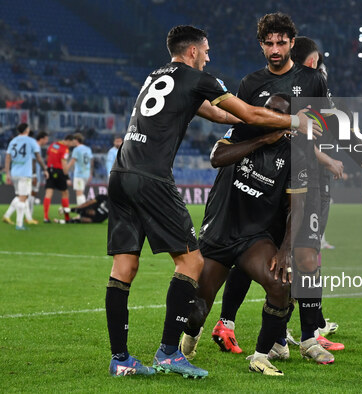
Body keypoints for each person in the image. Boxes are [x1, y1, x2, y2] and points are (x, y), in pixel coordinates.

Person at [105, 24, 319, 378]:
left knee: (124, 268)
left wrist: (269, 127)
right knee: (191, 263)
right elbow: (248, 114)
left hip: (120, 174)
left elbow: (224, 116)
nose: (208, 57)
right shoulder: (198, 78)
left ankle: (120, 359)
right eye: (206, 51)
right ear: (192, 51)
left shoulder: (155, 76)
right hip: (152, 178)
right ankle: (170, 353)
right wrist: (294, 120)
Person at [196, 13, 335, 366]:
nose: (275, 49)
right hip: (262, 184)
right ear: (261, 44)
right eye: (268, 43)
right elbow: (242, 129)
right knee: (260, 261)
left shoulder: (312, 80)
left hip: (301, 179)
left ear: (292, 42)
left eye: (281, 43)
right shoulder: (251, 83)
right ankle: (274, 341)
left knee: (303, 257)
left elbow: (323, 124)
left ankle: (308, 339)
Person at [181, 94, 308, 376]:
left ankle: (261, 357)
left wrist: (286, 249)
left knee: (279, 284)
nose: (273, 115)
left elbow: (295, 207)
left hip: (253, 237)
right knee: (196, 311)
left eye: (281, 113)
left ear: (288, 122)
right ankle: (190, 338)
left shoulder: (294, 154)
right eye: (269, 110)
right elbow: (217, 157)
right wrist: (263, 140)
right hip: (219, 232)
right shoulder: (241, 130)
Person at [2, 123, 48, 229]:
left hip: (14, 173)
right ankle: (19, 224)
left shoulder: (13, 141)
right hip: (25, 174)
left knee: (20, 197)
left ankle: (7, 216)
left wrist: (8, 173)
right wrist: (45, 169)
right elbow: (37, 158)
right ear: (27, 130)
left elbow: (8, 157)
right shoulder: (31, 141)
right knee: (23, 198)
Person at [43, 134, 75, 223]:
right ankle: (67, 217)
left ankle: (45, 217)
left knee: (48, 192)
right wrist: (67, 177)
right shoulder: (65, 149)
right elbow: (64, 164)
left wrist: (47, 168)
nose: (72, 145)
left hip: (50, 170)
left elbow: (47, 157)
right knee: (65, 193)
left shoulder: (53, 145)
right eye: (72, 143)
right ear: (68, 140)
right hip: (59, 171)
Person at [68, 133, 94, 205]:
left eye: (73, 140)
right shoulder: (88, 149)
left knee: (79, 194)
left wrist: (65, 169)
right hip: (87, 174)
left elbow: (72, 161)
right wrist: (91, 173)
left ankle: (82, 213)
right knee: (81, 192)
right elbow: (91, 161)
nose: (72, 141)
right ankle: (83, 212)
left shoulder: (76, 149)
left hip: (79, 174)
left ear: (76, 140)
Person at [30, 131, 49, 220]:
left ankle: (29, 215)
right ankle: (29, 216)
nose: (47, 142)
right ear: (41, 139)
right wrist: (34, 175)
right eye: (46, 139)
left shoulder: (35, 146)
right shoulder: (36, 146)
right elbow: (34, 161)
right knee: (31, 194)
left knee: (30, 195)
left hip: (33, 173)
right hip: (33, 175)